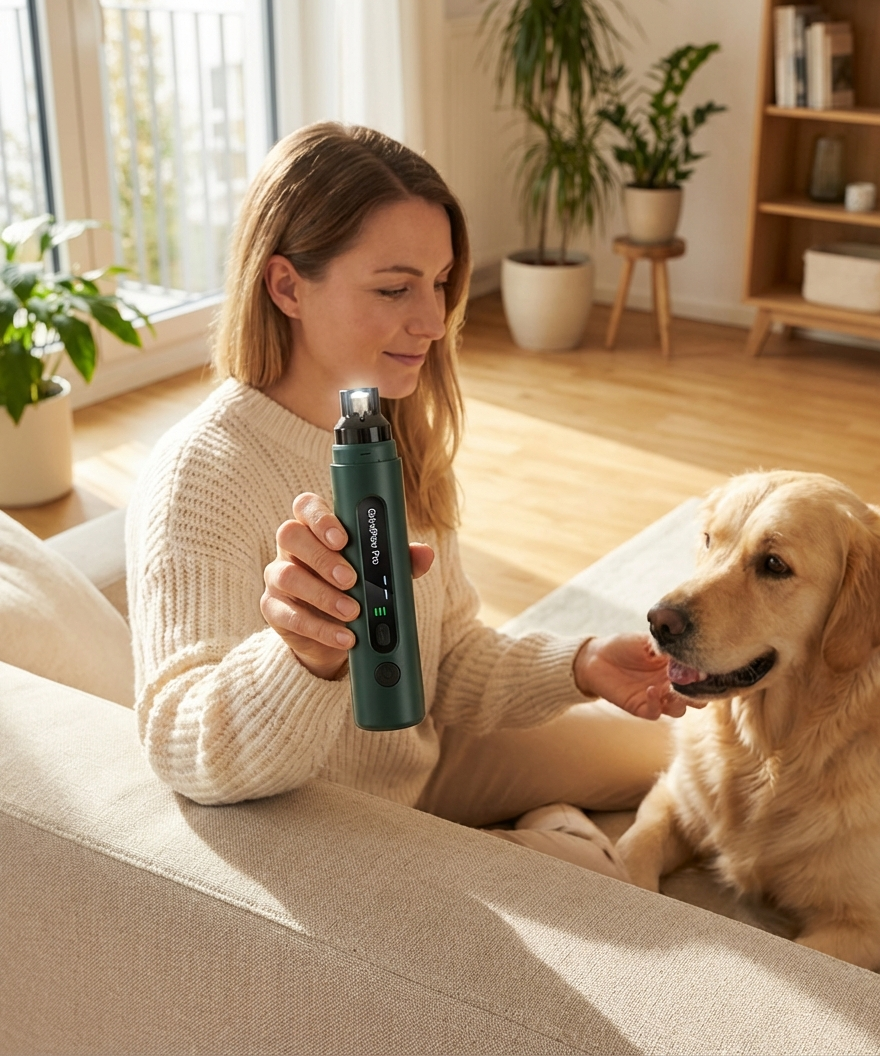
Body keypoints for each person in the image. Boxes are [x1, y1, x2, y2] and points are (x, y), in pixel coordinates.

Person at [126, 122, 697, 880]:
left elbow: (448, 658)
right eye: (395, 288)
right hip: (328, 821)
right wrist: (303, 655)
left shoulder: (395, 436)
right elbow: (179, 745)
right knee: (600, 880)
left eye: (440, 283)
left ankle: (542, 825)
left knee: (685, 755)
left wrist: (583, 665)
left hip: (420, 760)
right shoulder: (201, 476)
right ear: (287, 285)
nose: (433, 321)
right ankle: (550, 836)